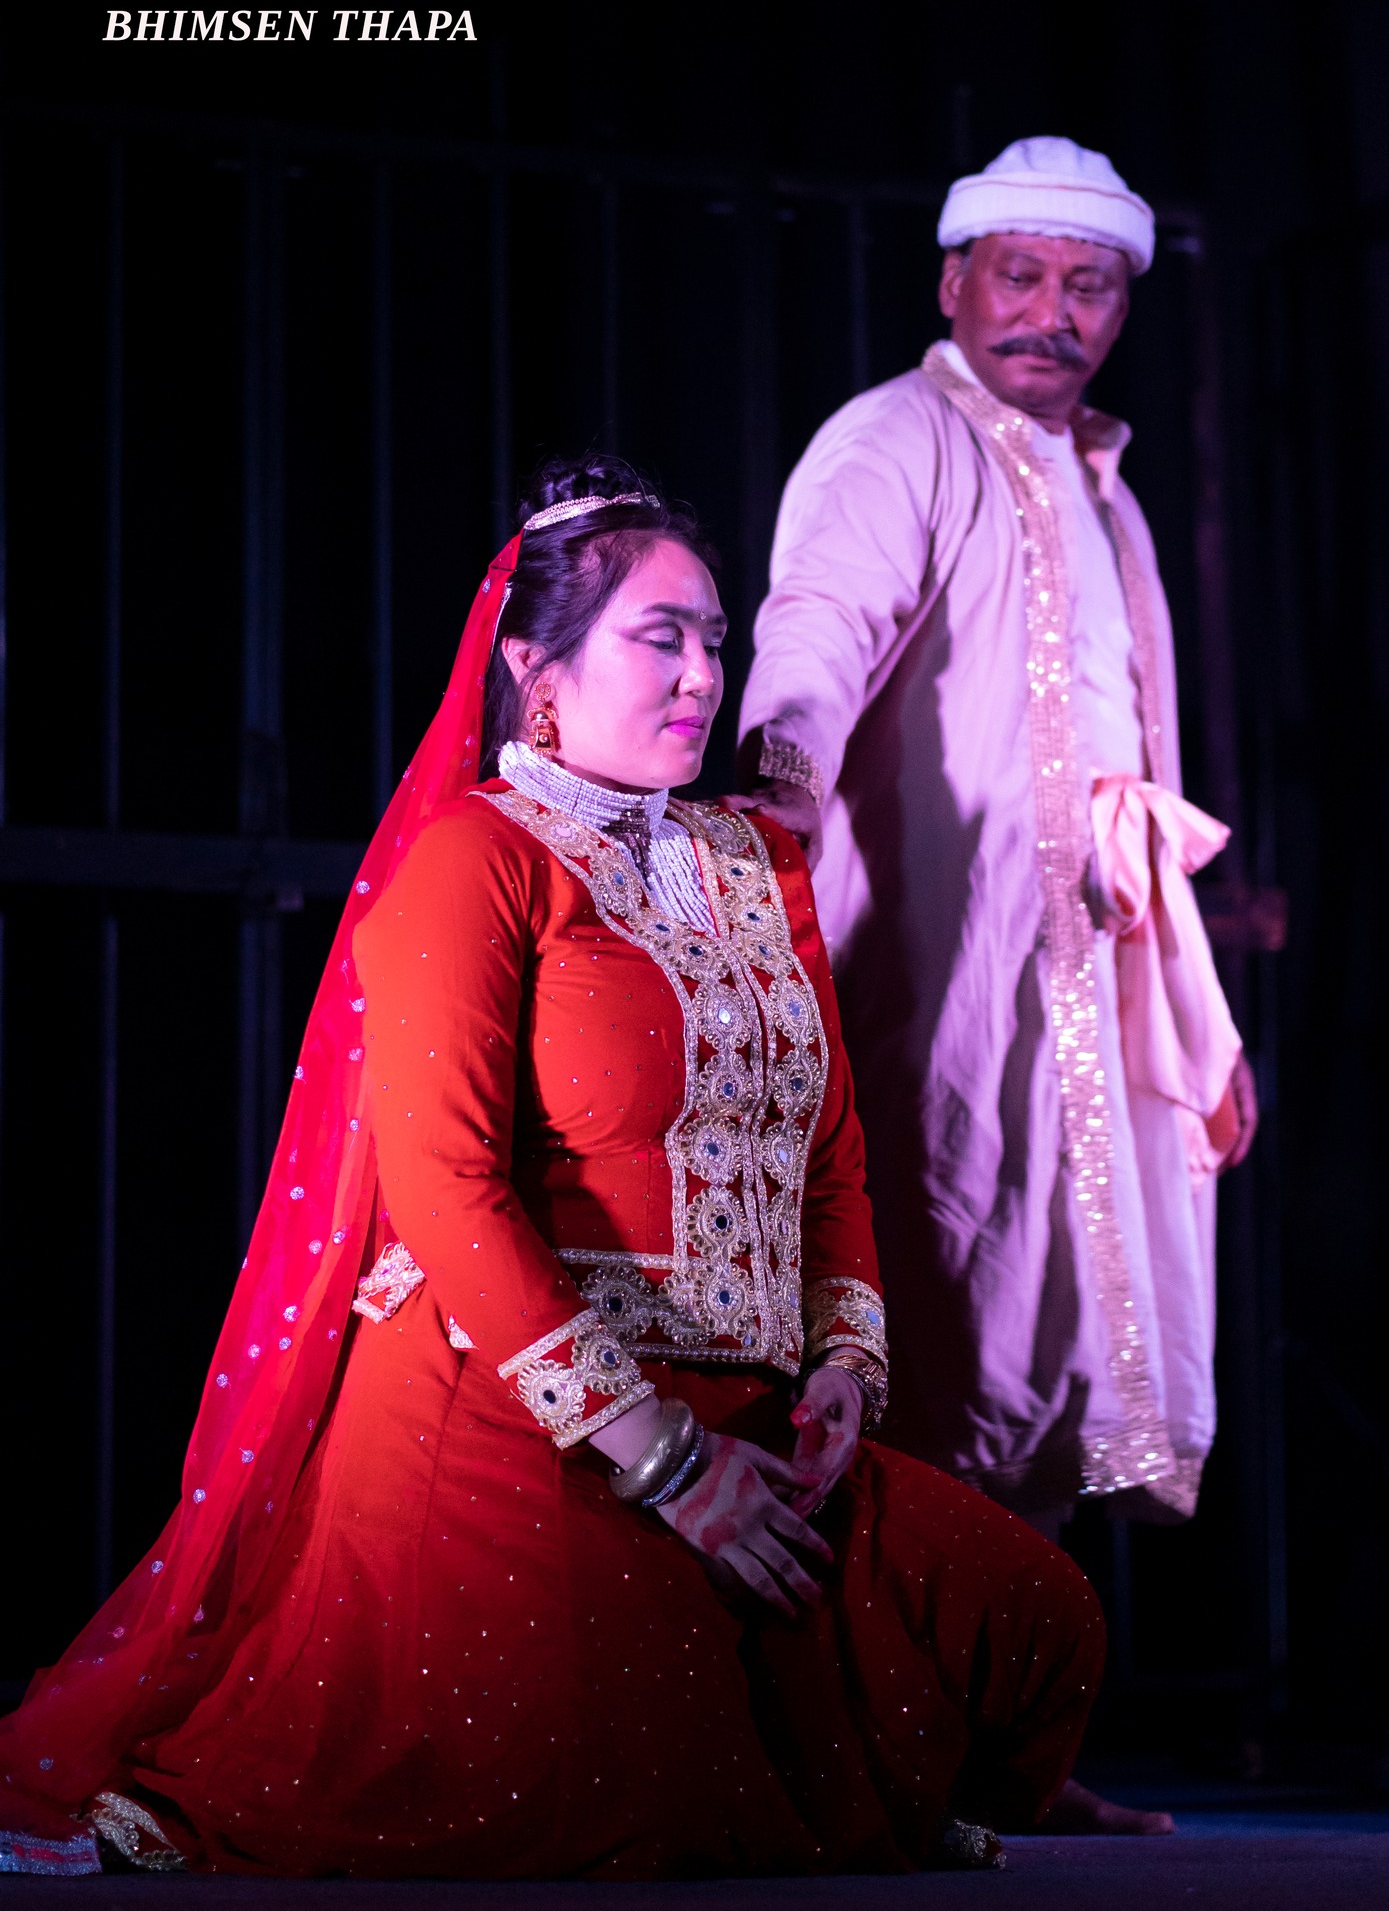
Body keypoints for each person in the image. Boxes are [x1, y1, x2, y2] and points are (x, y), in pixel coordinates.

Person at [0, 459, 1102, 1880]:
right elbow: (446, 1189)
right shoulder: (478, 858)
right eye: (661, 638)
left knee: (1039, 1622)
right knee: (643, 1784)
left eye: (716, 639)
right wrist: (665, 1461)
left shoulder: (754, 863)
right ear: (536, 667)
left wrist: (842, 1367)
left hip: (753, 1408)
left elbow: (829, 1151)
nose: (703, 676)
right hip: (521, 1413)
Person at [737, 141, 1256, 1605]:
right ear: (953, 283)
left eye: (1088, 287)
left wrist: (1193, 1011)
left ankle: (1003, 1702)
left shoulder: (1106, 485)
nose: (1052, 313)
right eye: (1020, 276)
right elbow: (816, 629)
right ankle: (894, 1705)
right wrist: (776, 794)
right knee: (936, 1316)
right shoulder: (896, 438)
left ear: (1123, 308)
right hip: (945, 966)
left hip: (1099, 977)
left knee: (1069, 1356)